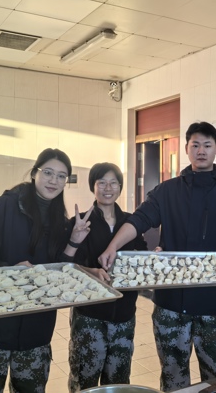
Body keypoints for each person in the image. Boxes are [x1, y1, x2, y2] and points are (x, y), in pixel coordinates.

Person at [98, 121, 216, 392]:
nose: (201, 151)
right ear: (186, 149)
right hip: (171, 306)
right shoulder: (167, 191)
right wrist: (113, 246)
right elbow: (140, 220)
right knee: (173, 380)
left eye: (207, 145)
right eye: (195, 145)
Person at [0, 148, 85, 393]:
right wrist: (8, 270)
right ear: (35, 173)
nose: (54, 180)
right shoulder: (6, 205)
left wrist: (74, 240)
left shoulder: (59, 219)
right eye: (48, 172)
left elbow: (58, 271)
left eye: (61, 176)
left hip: (36, 328)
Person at [64, 162, 147, 392]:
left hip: (124, 315)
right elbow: (67, 266)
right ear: (93, 186)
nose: (108, 188)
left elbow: (141, 258)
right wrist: (91, 271)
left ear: (120, 187)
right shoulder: (80, 222)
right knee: (84, 380)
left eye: (113, 183)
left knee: (118, 381)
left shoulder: (130, 223)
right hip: (89, 316)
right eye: (102, 183)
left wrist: (153, 256)